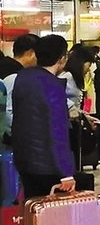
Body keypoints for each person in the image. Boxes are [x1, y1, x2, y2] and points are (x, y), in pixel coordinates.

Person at [12, 35, 76, 198]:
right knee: (52, 217)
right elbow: (57, 132)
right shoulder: (53, 86)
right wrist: (66, 172)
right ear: (62, 58)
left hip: (25, 162)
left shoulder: (23, 78)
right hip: (49, 167)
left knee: (34, 213)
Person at [59, 47, 98, 169]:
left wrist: (85, 115)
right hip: (68, 126)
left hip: (74, 123)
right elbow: (60, 97)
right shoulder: (67, 76)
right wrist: (76, 112)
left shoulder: (74, 78)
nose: (88, 69)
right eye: (88, 64)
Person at [2, 34, 39, 146]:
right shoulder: (14, 76)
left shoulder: (6, 67)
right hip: (8, 141)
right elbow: (7, 112)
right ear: (31, 53)